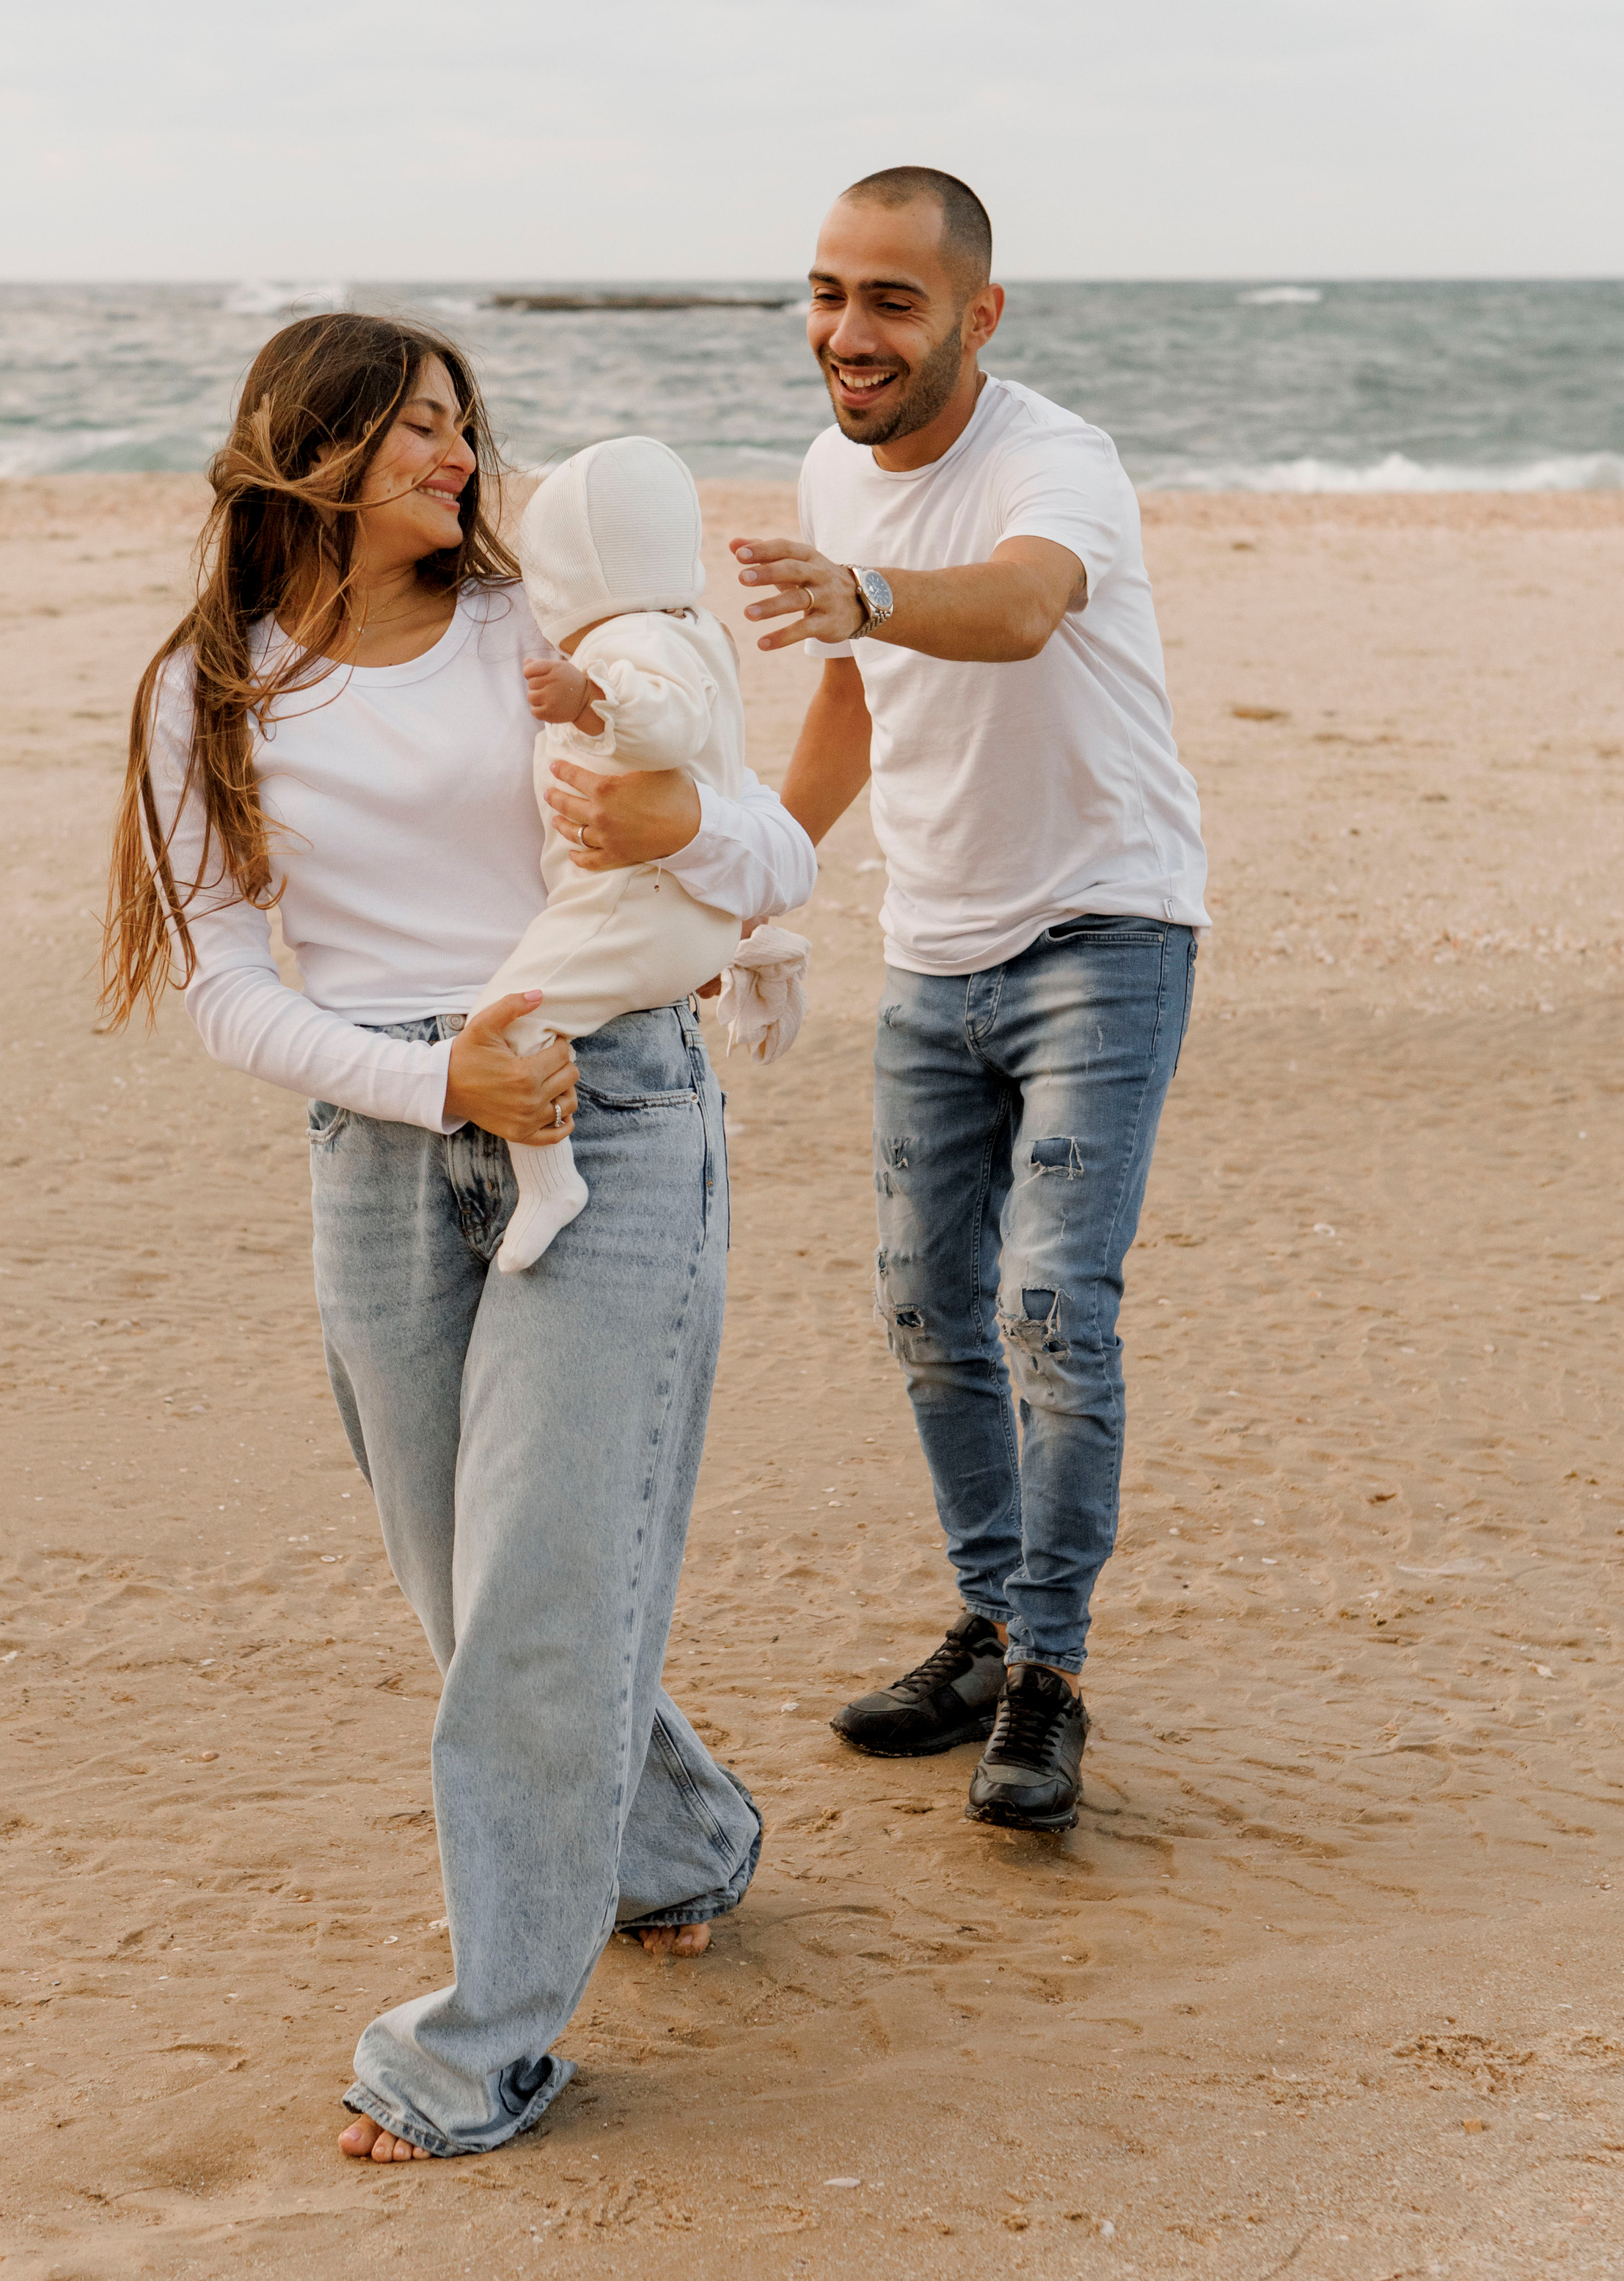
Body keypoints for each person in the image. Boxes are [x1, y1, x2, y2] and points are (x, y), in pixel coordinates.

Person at [102, 312, 816, 2158]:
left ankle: (477, 2041)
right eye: (413, 426)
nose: (456, 453)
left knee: (540, 1587)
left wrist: (678, 813)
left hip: (612, 1106)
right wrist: (439, 1093)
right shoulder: (214, 687)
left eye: (461, 424)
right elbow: (228, 994)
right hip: (387, 1139)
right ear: (303, 448)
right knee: (474, 1593)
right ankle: (678, 1833)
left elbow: (770, 864)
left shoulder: (548, 633)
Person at [735, 166, 1207, 1834]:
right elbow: (852, 708)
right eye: (822, 294)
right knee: (926, 1302)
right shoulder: (827, 469)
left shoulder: (1051, 462)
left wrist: (861, 592)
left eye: (887, 300)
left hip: (1102, 926)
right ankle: (990, 1614)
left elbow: (1010, 610)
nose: (843, 332)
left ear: (974, 314)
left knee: (1046, 1300)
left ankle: (1047, 1675)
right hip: (930, 945)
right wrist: (750, 873)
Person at [478, 434, 750, 1274]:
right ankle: (766, 951)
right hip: (689, 906)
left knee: (516, 1015)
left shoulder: (626, 643)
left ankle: (552, 1182)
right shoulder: (691, 628)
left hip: (635, 902)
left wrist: (589, 700)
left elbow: (674, 725)